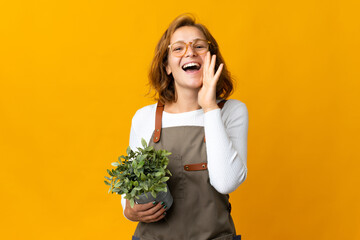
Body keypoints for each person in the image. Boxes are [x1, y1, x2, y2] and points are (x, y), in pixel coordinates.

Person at [121, 13, 248, 240]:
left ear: (211, 59)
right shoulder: (144, 118)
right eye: (178, 48)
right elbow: (131, 190)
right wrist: (129, 210)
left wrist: (209, 106)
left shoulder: (231, 112)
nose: (190, 52)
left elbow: (226, 182)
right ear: (167, 66)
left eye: (199, 46)